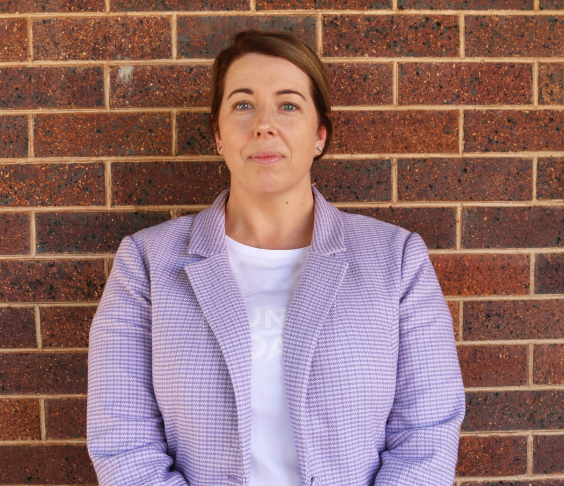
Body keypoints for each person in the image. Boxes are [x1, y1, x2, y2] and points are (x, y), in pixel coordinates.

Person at [86, 30, 465, 486]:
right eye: (243, 105)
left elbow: (427, 433)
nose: (264, 123)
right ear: (218, 134)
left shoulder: (397, 260)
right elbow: (123, 440)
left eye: (288, 105)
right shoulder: (146, 264)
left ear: (319, 134)